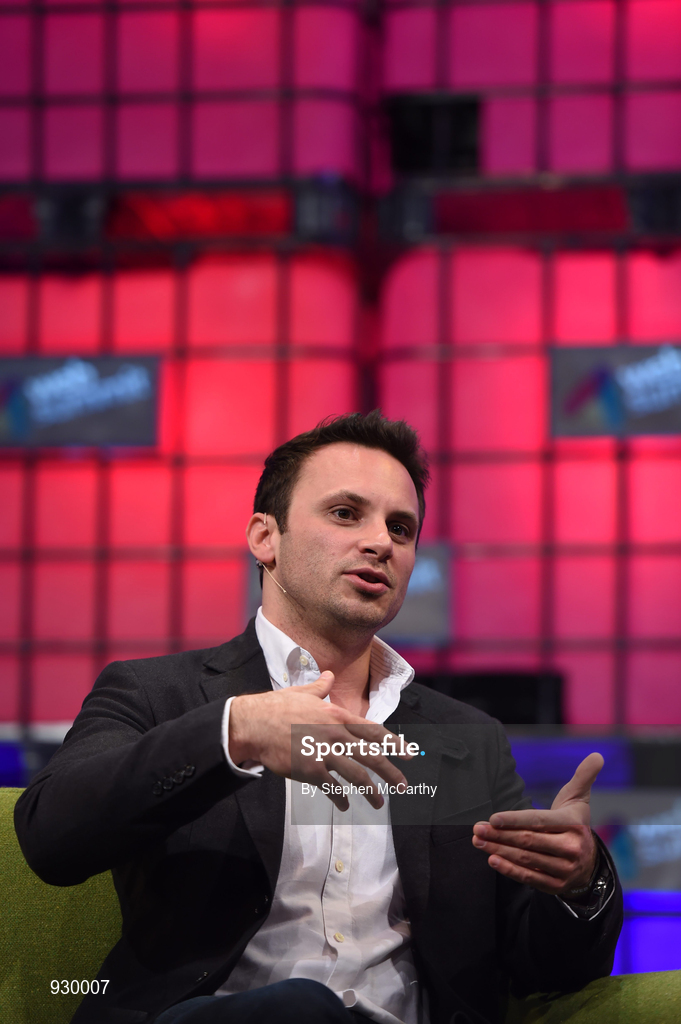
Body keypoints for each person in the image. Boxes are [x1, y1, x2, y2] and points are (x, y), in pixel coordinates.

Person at [14, 411, 622, 1024]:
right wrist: (235, 734)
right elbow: (52, 836)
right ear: (264, 538)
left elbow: (541, 972)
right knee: (302, 1009)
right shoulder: (156, 692)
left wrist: (579, 883)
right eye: (344, 513)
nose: (381, 541)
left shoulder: (467, 739)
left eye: (401, 528)